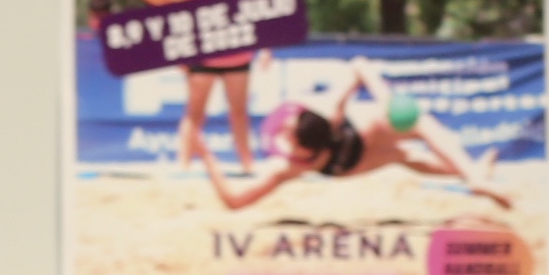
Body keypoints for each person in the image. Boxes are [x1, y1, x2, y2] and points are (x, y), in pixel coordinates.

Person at [206, 56, 512, 211]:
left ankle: (473, 175)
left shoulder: (330, 111)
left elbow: (361, 66)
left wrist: (385, 98)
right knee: (406, 154)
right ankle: (473, 175)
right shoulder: (286, 164)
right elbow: (235, 200)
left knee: (412, 140)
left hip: (352, 143)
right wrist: (207, 158)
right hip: (344, 163)